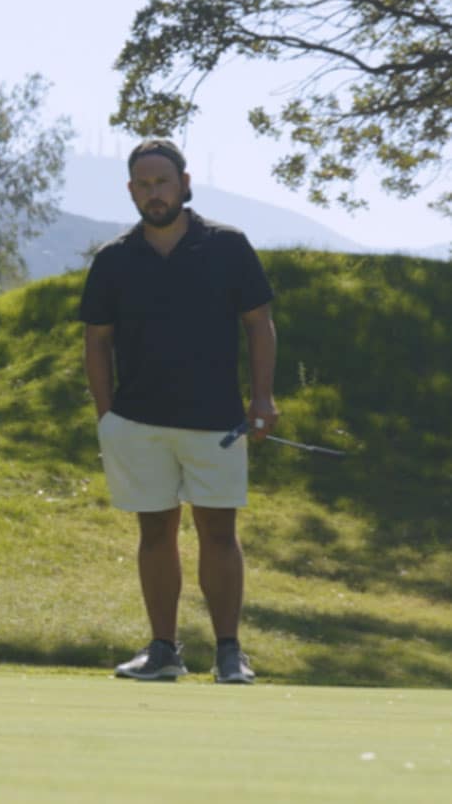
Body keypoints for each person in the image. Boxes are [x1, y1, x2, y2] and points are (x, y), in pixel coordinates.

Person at [79, 139, 277, 684]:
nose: (154, 193)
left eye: (162, 182)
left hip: (216, 420)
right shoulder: (115, 258)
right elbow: (97, 341)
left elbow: (259, 323)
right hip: (138, 422)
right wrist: (107, 416)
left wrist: (262, 398)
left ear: (184, 184)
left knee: (218, 534)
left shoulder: (227, 246)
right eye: (143, 185)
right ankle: (164, 650)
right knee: (155, 535)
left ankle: (229, 653)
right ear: (131, 191)